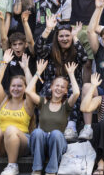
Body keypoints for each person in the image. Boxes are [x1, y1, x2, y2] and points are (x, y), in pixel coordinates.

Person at [35, 13, 89, 141]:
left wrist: (75, 37)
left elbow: (84, 58)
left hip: (71, 83)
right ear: (57, 37)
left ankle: (71, 127)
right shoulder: (50, 49)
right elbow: (38, 49)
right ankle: (43, 124)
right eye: (61, 36)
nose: (64, 38)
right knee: (46, 92)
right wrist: (48, 30)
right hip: (51, 83)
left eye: (67, 35)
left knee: (71, 92)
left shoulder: (76, 50)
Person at [0, 48, 36, 175]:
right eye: (14, 86)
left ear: (24, 88)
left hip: (22, 141)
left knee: (11, 130)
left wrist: (26, 68)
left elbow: (31, 87)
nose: (16, 89)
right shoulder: (4, 100)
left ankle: (13, 165)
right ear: (10, 87)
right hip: (2, 142)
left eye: (20, 86)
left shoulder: (27, 103)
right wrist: (4, 63)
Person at [25, 58, 79, 175]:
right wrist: (38, 73)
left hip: (58, 143)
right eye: (57, 85)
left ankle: (52, 169)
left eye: (62, 87)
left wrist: (71, 74)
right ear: (51, 87)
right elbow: (28, 91)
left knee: (55, 133)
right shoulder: (43, 102)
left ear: (65, 91)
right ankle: (37, 168)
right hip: (41, 143)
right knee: (37, 132)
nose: (59, 88)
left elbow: (76, 93)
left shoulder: (66, 106)